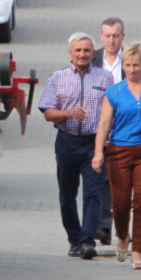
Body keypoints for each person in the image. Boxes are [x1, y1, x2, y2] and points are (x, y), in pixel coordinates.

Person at [92, 42, 141, 270]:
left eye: (136, 65)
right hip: (118, 152)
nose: (132, 69)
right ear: (122, 66)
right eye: (128, 65)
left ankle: (137, 251)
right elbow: (104, 123)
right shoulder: (113, 91)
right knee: (121, 204)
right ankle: (123, 236)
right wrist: (98, 153)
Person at [38, 32, 114, 260]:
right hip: (67, 142)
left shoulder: (106, 78)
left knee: (93, 192)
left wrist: (110, 136)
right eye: (78, 50)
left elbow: (114, 110)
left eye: (87, 50)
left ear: (93, 53)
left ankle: (88, 241)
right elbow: (47, 112)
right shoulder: (57, 77)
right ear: (70, 53)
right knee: (67, 194)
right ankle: (74, 239)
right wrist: (68, 113)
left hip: (94, 143)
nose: (82, 54)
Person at [94, 17, 141, 245]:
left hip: (126, 133)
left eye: (116, 36)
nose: (111, 40)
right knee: (97, 179)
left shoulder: (133, 61)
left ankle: (107, 227)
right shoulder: (94, 59)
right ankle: (99, 226)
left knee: (117, 184)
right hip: (98, 127)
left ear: (123, 37)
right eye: (107, 35)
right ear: (101, 36)